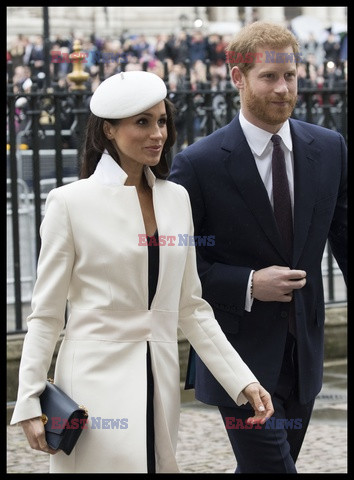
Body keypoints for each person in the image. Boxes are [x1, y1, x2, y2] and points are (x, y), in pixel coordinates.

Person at [10, 70, 274, 474]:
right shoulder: (69, 203)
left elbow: (191, 308)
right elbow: (46, 315)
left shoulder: (176, 199)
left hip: (159, 383)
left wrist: (242, 380)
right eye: (142, 122)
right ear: (108, 131)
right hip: (92, 390)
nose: (157, 133)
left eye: (162, 120)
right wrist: (28, 399)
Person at [169, 21, 347, 474]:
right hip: (235, 358)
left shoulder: (329, 149)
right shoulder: (199, 163)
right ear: (237, 78)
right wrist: (248, 283)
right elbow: (179, 265)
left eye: (290, 75)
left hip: (303, 356)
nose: (284, 88)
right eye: (269, 76)